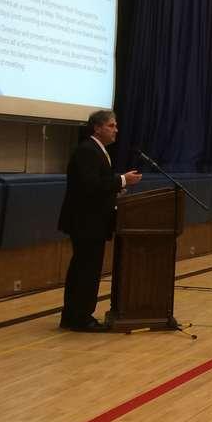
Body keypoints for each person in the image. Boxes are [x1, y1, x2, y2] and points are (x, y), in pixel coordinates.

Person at [57, 110, 142, 332]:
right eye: (111, 126)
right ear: (97, 128)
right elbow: (89, 185)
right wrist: (123, 179)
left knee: (86, 269)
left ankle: (76, 315)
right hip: (85, 222)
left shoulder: (99, 151)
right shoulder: (87, 150)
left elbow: (98, 186)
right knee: (85, 270)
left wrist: (115, 192)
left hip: (94, 221)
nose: (116, 130)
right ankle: (79, 318)